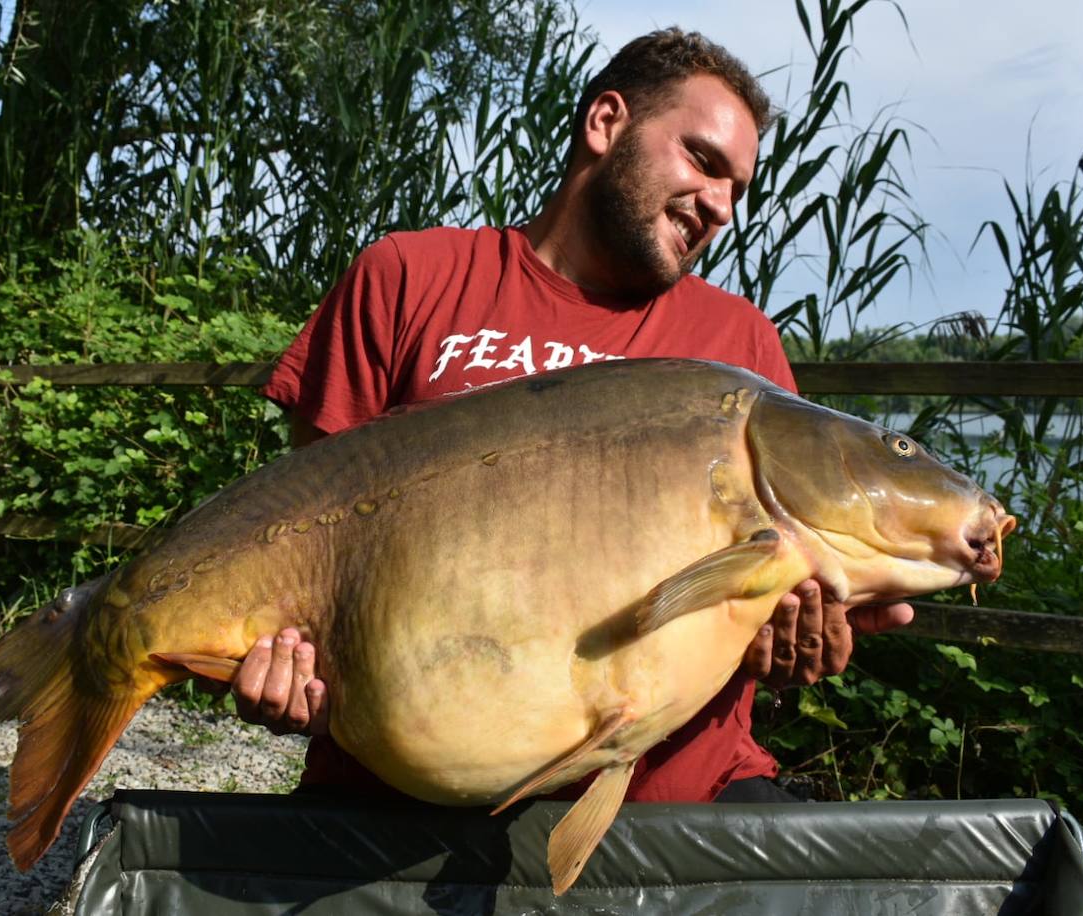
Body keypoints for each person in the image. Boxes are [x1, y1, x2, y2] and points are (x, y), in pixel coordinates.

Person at [235, 28, 913, 804]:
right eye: (702, 159)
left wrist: (786, 640)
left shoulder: (739, 346)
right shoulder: (409, 278)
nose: (723, 206)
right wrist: (288, 664)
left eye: (739, 188)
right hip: (400, 799)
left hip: (670, 807)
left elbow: (752, 606)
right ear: (605, 123)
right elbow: (301, 543)